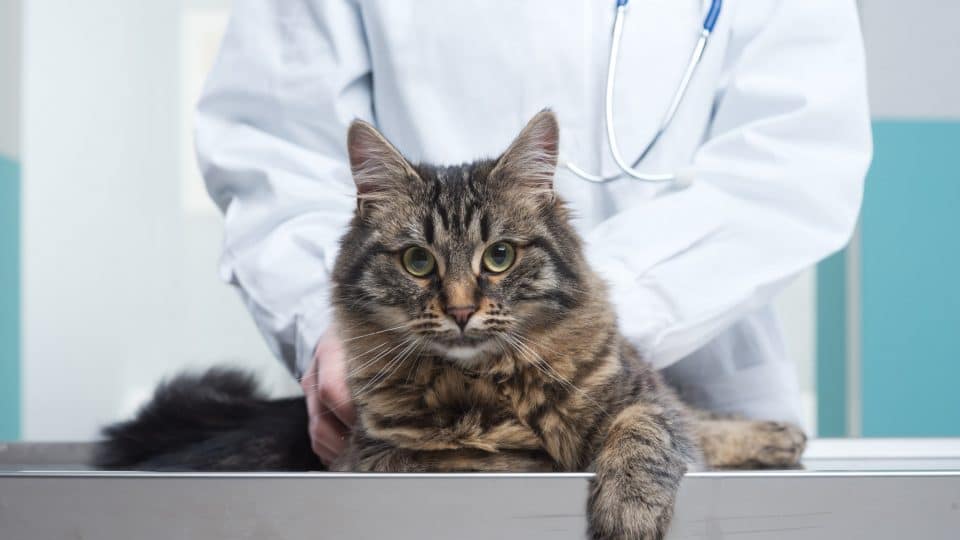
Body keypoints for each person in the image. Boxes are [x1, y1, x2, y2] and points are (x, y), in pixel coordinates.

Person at [195, 0, 871, 465]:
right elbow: (274, 149)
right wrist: (330, 325)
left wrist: (578, 330)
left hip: (698, 389)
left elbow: (798, 160)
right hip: (419, 406)